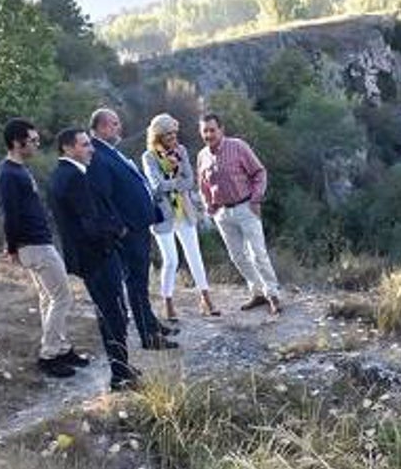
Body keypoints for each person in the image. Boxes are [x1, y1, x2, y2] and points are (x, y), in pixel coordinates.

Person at [0, 117, 89, 379]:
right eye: (32, 140)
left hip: (37, 242)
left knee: (49, 298)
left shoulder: (19, 169)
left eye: (37, 140)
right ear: (16, 142)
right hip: (34, 245)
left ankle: (61, 348)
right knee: (62, 297)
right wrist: (12, 247)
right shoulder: (9, 174)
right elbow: (9, 215)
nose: (37, 145)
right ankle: (49, 355)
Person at [48, 128, 138, 392]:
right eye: (85, 145)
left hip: (87, 258)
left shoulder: (59, 175)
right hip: (97, 256)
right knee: (114, 314)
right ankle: (120, 375)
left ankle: (121, 368)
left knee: (108, 312)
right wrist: (117, 231)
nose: (92, 149)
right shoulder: (73, 177)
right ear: (67, 148)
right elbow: (90, 223)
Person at [86, 107, 179, 350]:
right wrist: (121, 228)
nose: (119, 127)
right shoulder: (97, 155)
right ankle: (149, 337)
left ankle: (150, 322)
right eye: (114, 123)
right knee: (136, 283)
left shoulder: (110, 152)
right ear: (102, 127)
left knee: (141, 281)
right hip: (129, 231)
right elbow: (103, 199)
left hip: (139, 225)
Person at [196, 112, 282, 315]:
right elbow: (202, 185)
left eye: (212, 130)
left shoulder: (238, 146)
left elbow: (259, 172)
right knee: (237, 256)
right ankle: (257, 292)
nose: (209, 134)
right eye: (205, 131)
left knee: (257, 254)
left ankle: (273, 295)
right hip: (223, 214)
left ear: (221, 129)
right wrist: (209, 204)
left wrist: (256, 198)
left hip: (246, 207)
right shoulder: (202, 156)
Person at [141, 113, 220, 321]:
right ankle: (167, 302)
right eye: (168, 134)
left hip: (184, 210)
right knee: (171, 261)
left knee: (195, 255)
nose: (173, 138)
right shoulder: (149, 157)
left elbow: (190, 180)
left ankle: (206, 298)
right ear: (158, 136)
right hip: (163, 214)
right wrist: (176, 181)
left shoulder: (181, 151)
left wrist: (171, 183)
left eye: (175, 133)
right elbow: (156, 186)